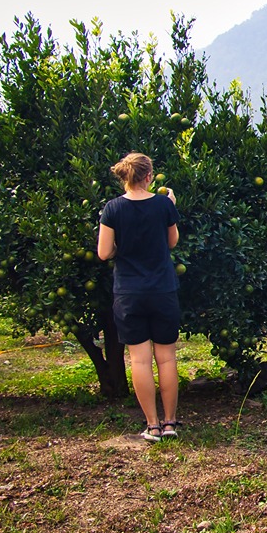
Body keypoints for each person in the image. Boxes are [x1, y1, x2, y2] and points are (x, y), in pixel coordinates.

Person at [97, 152, 183, 442]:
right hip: (162, 289)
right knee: (167, 359)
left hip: (129, 292)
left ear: (125, 177)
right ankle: (170, 422)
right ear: (149, 176)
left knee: (140, 361)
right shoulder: (163, 204)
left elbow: (103, 252)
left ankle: (153, 425)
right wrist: (170, 207)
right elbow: (172, 242)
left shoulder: (112, 209)